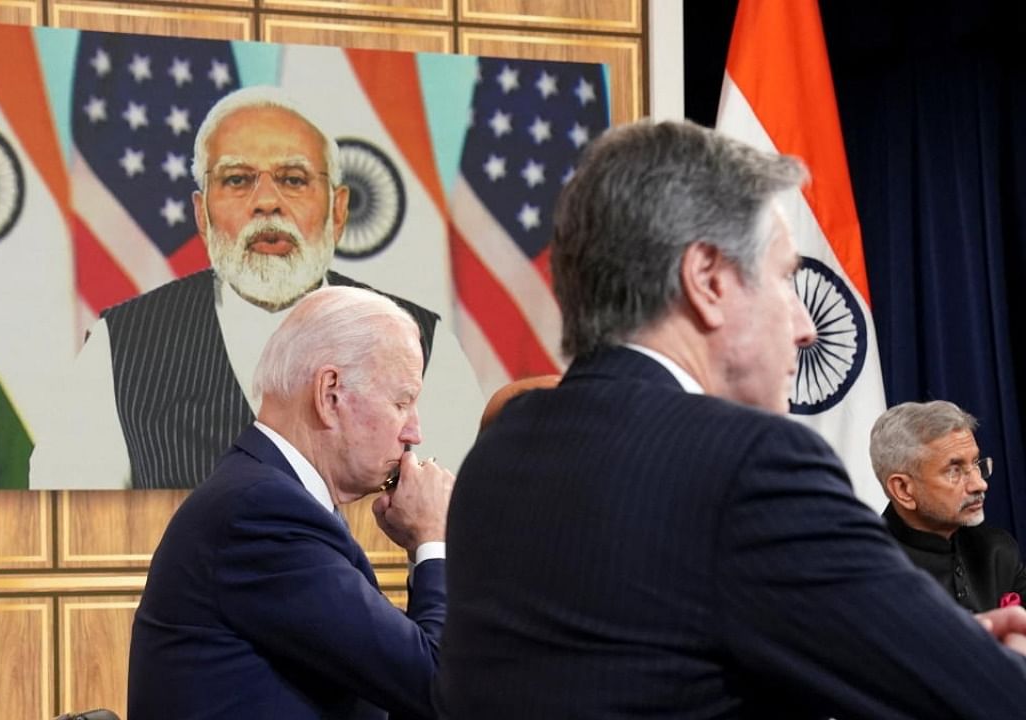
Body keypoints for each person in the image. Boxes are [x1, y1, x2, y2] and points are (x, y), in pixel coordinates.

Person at [436, 119, 1026, 719]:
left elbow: (646, 661)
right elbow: (995, 700)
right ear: (708, 280)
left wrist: (919, 645)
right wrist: (973, 662)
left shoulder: (504, 447)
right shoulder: (748, 463)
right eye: (783, 280)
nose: (806, 327)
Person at [29, 86, 483, 489]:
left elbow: (462, 519)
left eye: (293, 179)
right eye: (238, 180)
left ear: (338, 211)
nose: (267, 203)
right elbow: (69, 513)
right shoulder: (121, 342)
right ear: (202, 215)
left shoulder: (425, 342)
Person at [128, 286, 453, 719]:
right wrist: (432, 541)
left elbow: (395, 686)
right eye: (401, 402)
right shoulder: (261, 513)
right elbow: (438, 684)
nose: (414, 433)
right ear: (330, 395)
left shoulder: (275, 500)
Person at [870, 400, 1026, 611]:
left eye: (976, 464)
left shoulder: (997, 550)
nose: (980, 484)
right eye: (955, 471)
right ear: (903, 489)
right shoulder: (866, 574)